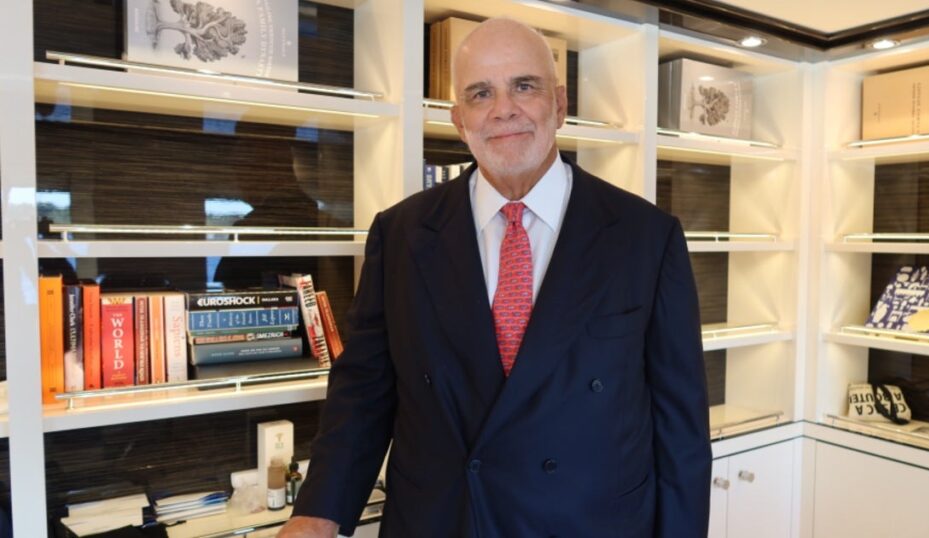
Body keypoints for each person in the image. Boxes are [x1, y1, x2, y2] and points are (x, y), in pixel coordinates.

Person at [279, 17, 710, 538]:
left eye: (524, 86)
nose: (503, 109)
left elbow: (680, 429)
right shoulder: (401, 234)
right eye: (481, 93)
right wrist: (317, 514)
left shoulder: (646, 237)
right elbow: (364, 390)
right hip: (442, 523)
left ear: (560, 104)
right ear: (460, 121)